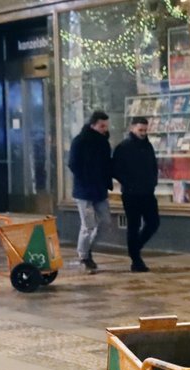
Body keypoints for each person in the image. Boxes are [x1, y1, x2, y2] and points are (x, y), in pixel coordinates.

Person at [112, 117, 160, 272]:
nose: (143, 133)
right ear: (132, 128)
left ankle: (135, 248)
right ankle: (135, 259)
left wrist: (153, 182)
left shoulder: (148, 146)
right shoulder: (123, 147)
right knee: (134, 225)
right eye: (140, 130)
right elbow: (116, 169)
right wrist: (129, 183)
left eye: (145, 130)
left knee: (153, 222)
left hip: (147, 192)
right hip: (131, 194)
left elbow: (153, 165)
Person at [68, 110, 113, 273]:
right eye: (102, 126)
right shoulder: (80, 141)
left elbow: (108, 164)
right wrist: (85, 178)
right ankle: (83, 255)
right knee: (88, 224)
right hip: (84, 190)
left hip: (99, 189)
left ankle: (87, 249)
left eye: (106, 126)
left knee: (106, 222)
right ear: (93, 125)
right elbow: (73, 163)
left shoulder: (104, 143)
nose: (104, 129)